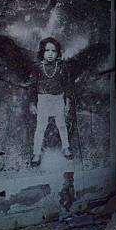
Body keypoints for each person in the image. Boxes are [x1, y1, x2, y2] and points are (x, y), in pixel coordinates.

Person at [30, 37, 73, 166]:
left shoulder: (61, 67)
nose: (50, 53)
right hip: (43, 100)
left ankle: (66, 147)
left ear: (58, 53)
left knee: (61, 125)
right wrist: (32, 103)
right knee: (40, 127)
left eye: (53, 51)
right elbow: (32, 86)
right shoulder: (37, 67)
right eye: (47, 50)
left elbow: (67, 85)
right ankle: (36, 153)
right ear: (42, 52)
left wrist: (68, 101)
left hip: (58, 98)